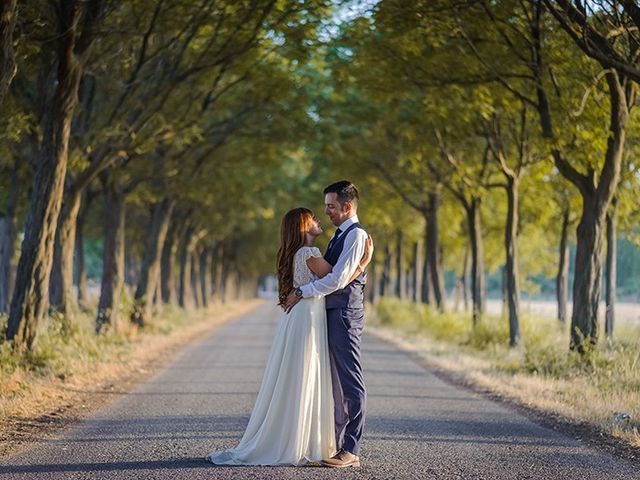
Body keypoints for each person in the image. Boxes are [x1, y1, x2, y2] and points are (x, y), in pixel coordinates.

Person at [206, 206, 372, 466]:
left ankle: (298, 437)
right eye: (313, 218)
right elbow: (337, 277)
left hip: (303, 314)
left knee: (299, 375)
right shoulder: (309, 252)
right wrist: (362, 262)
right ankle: (304, 441)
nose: (319, 219)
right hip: (307, 316)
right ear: (303, 225)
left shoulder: (300, 252)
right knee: (305, 374)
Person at [284, 180, 369, 468]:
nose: (327, 212)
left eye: (331, 207)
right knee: (332, 384)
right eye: (325, 207)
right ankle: (335, 444)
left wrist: (300, 292)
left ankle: (351, 448)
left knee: (349, 381)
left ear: (347, 206)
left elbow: (337, 280)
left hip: (345, 314)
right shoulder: (338, 236)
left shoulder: (356, 236)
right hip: (329, 313)